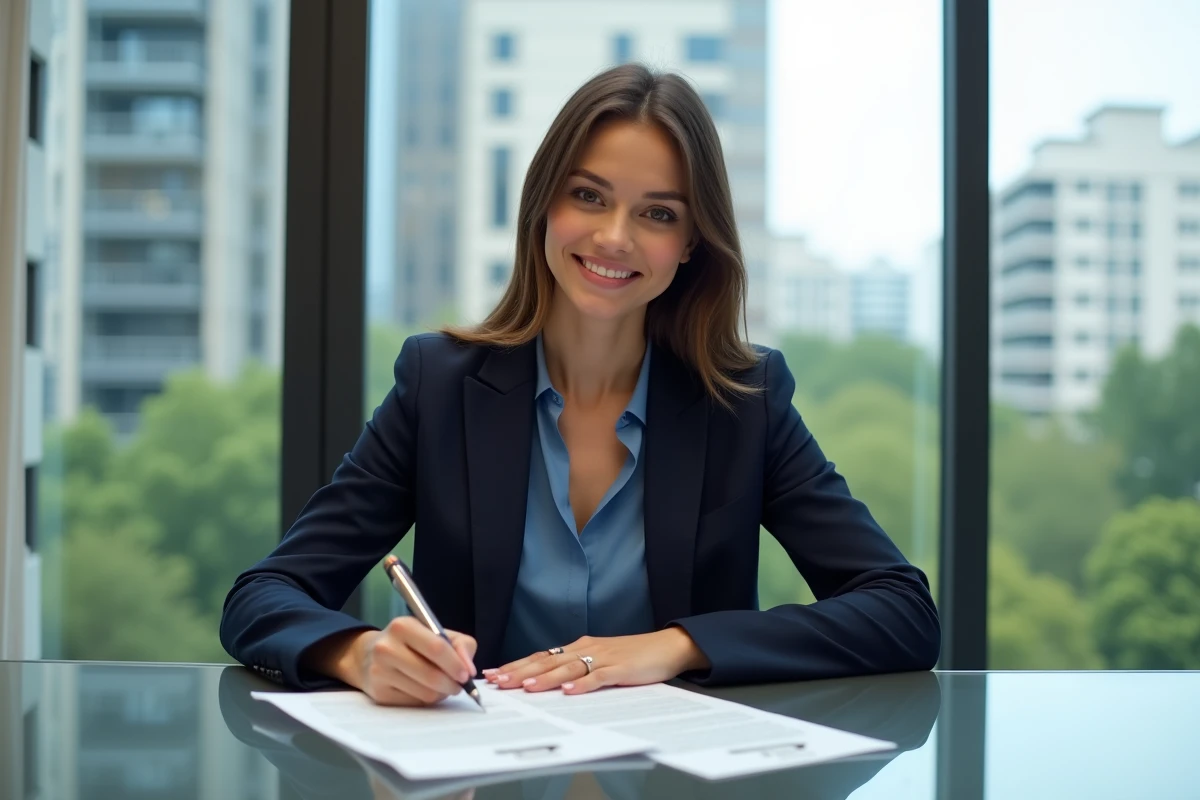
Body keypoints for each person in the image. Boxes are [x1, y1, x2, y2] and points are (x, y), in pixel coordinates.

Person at [220, 63, 940, 707]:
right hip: (483, 775)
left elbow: (901, 611)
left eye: (658, 213)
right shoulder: (437, 386)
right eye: (589, 196)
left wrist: (674, 646)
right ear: (544, 204)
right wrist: (360, 653)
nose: (615, 237)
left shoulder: (743, 402)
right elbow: (262, 597)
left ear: (691, 243)